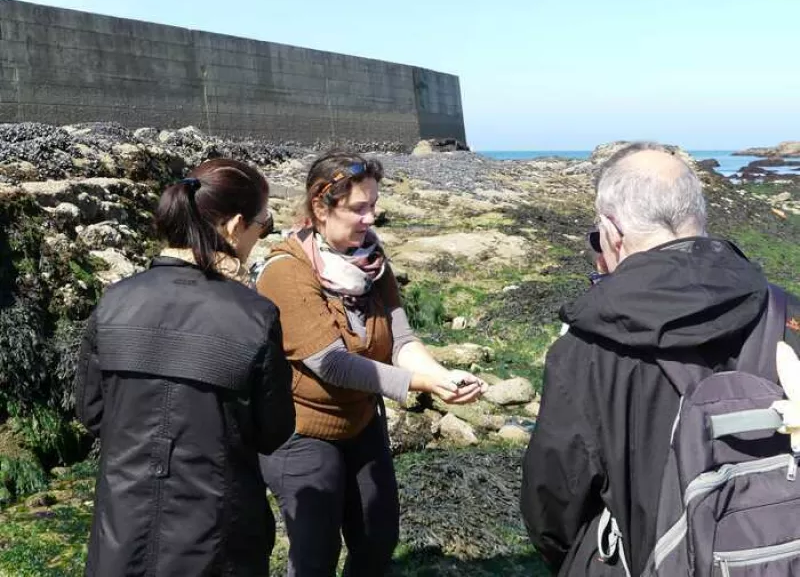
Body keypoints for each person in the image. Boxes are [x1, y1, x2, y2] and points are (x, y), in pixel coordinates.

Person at [520, 142, 800, 576]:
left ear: (612, 232)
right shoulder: (787, 314)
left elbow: (553, 504)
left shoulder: (586, 350)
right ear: (699, 218)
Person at [255, 150, 488, 577]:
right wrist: (422, 384)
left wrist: (443, 375)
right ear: (320, 208)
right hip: (302, 431)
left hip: (361, 421)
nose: (371, 219)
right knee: (315, 553)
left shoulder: (372, 260)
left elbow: (399, 337)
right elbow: (333, 364)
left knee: (377, 538)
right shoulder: (286, 273)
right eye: (359, 208)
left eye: (374, 206)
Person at [74, 158, 295, 577]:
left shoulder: (115, 301)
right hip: (217, 537)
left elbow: (92, 411)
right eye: (261, 225)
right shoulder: (254, 315)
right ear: (233, 227)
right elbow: (274, 431)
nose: (259, 238)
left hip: (122, 531)